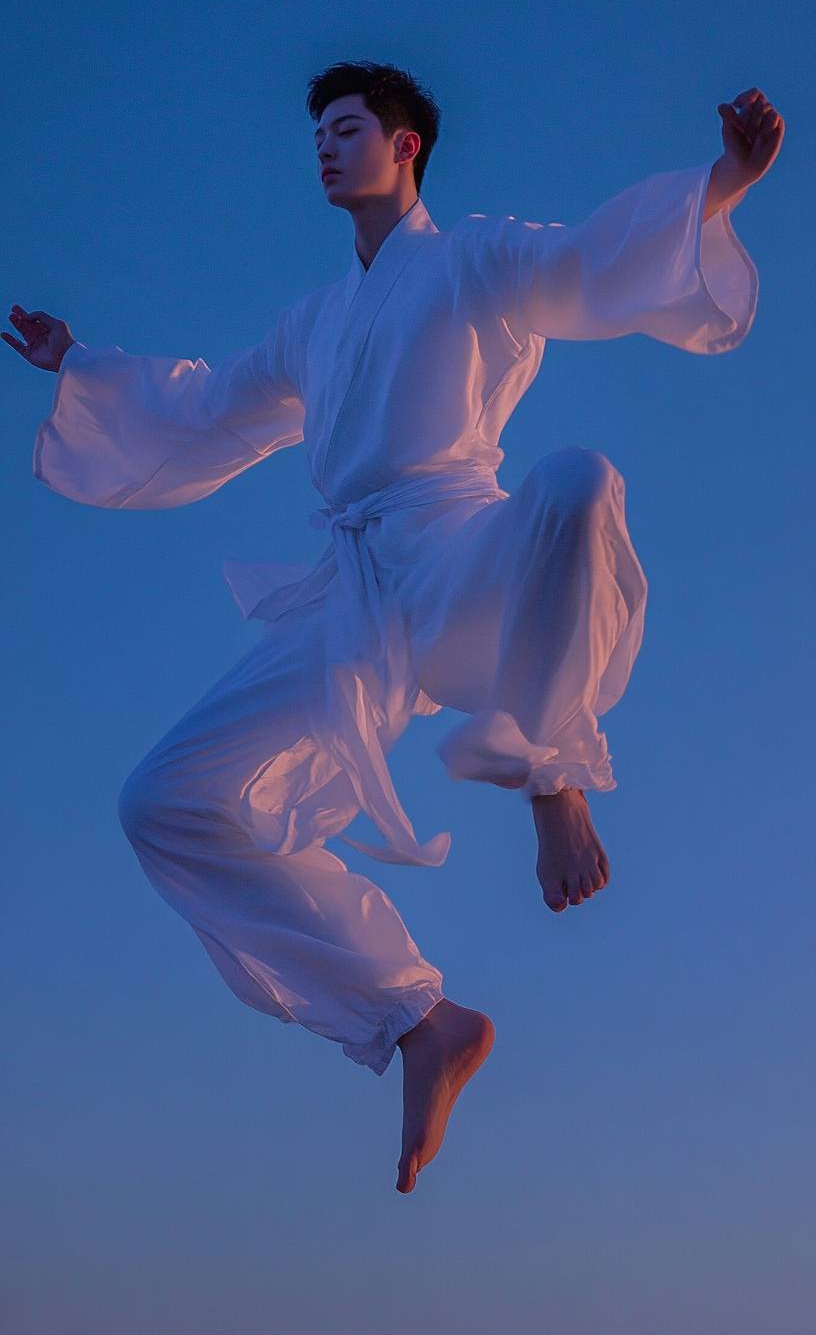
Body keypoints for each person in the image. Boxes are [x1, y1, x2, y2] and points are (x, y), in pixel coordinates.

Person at [5, 63, 783, 1196]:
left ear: (405, 146)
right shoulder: (314, 323)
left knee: (575, 478)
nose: (324, 146)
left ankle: (551, 778)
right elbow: (206, 402)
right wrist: (76, 362)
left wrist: (724, 182)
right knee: (162, 803)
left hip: (463, 560)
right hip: (354, 597)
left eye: (347, 127)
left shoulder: (472, 256)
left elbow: (587, 263)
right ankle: (420, 1017)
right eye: (317, 131)